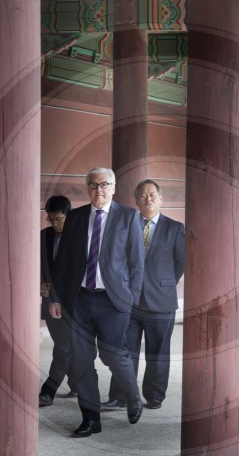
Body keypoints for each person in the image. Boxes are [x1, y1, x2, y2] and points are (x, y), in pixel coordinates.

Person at [49, 167, 145, 438]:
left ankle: (132, 394)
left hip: (114, 302)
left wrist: (130, 300)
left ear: (113, 188)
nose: (99, 190)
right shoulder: (76, 218)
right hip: (80, 299)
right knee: (82, 361)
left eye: (104, 185)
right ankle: (91, 419)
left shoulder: (128, 217)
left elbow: (137, 265)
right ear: (87, 188)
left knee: (115, 355)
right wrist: (55, 298)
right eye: (93, 185)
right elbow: (63, 263)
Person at [102, 179, 185, 411]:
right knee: (124, 350)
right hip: (129, 300)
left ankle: (155, 395)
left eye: (152, 195)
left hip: (162, 299)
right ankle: (120, 396)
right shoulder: (125, 224)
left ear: (160, 199)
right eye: (143, 195)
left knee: (158, 352)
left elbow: (181, 261)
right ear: (136, 200)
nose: (148, 198)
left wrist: (166, 282)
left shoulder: (175, 228)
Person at [39, 195, 78, 407]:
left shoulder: (81, 238)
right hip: (49, 302)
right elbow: (34, 265)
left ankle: (49, 390)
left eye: (58, 219)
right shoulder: (43, 237)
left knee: (64, 346)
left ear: (68, 216)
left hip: (73, 304)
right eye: (50, 219)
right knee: (65, 345)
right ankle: (77, 383)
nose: (53, 224)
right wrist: (38, 285)